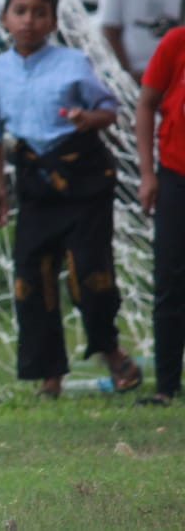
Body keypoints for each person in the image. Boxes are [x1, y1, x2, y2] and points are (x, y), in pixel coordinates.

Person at [0, 0, 141, 400]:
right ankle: (49, 375)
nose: (29, 21)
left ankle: (110, 350)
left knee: (91, 273)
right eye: (20, 12)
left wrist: (88, 119)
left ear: (52, 20)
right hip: (35, 183)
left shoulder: (72, 64)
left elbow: (109, 108)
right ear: (4, 19)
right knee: (32, 277)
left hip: (83, 178)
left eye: (39, 13)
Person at [134, 22, 185, 406]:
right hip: (175, 176)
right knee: (170, 277)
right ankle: (166, 385)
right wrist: (148, 174)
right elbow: (146, 103)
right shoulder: (176, 41)